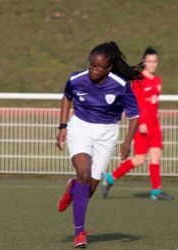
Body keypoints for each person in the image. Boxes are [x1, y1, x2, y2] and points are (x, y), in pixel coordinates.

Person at [56, 41, 141, 248]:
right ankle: (79, 233)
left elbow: (134, 115)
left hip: (107, 133)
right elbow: (67, 97)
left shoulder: (120, 85)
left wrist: (127, 141)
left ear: (109, 67)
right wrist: (63, 126)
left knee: (88, 189)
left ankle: (72, 187)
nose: (94, 69)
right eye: (91, 64)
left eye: (99, 66)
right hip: (81, 127)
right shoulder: (76, 79)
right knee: (84, 175)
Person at [101, 47, 174, 201]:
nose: (152, 64)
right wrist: (140, 122)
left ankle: (156, 191)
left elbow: (152, 105)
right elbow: (135, 104)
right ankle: (110, 178)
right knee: (139, 159)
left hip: (155, 126)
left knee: (156, 156)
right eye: (149, 61)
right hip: (142, 126)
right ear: (144, 62)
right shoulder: (138, 81)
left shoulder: (158, 81)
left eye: (155, 61)